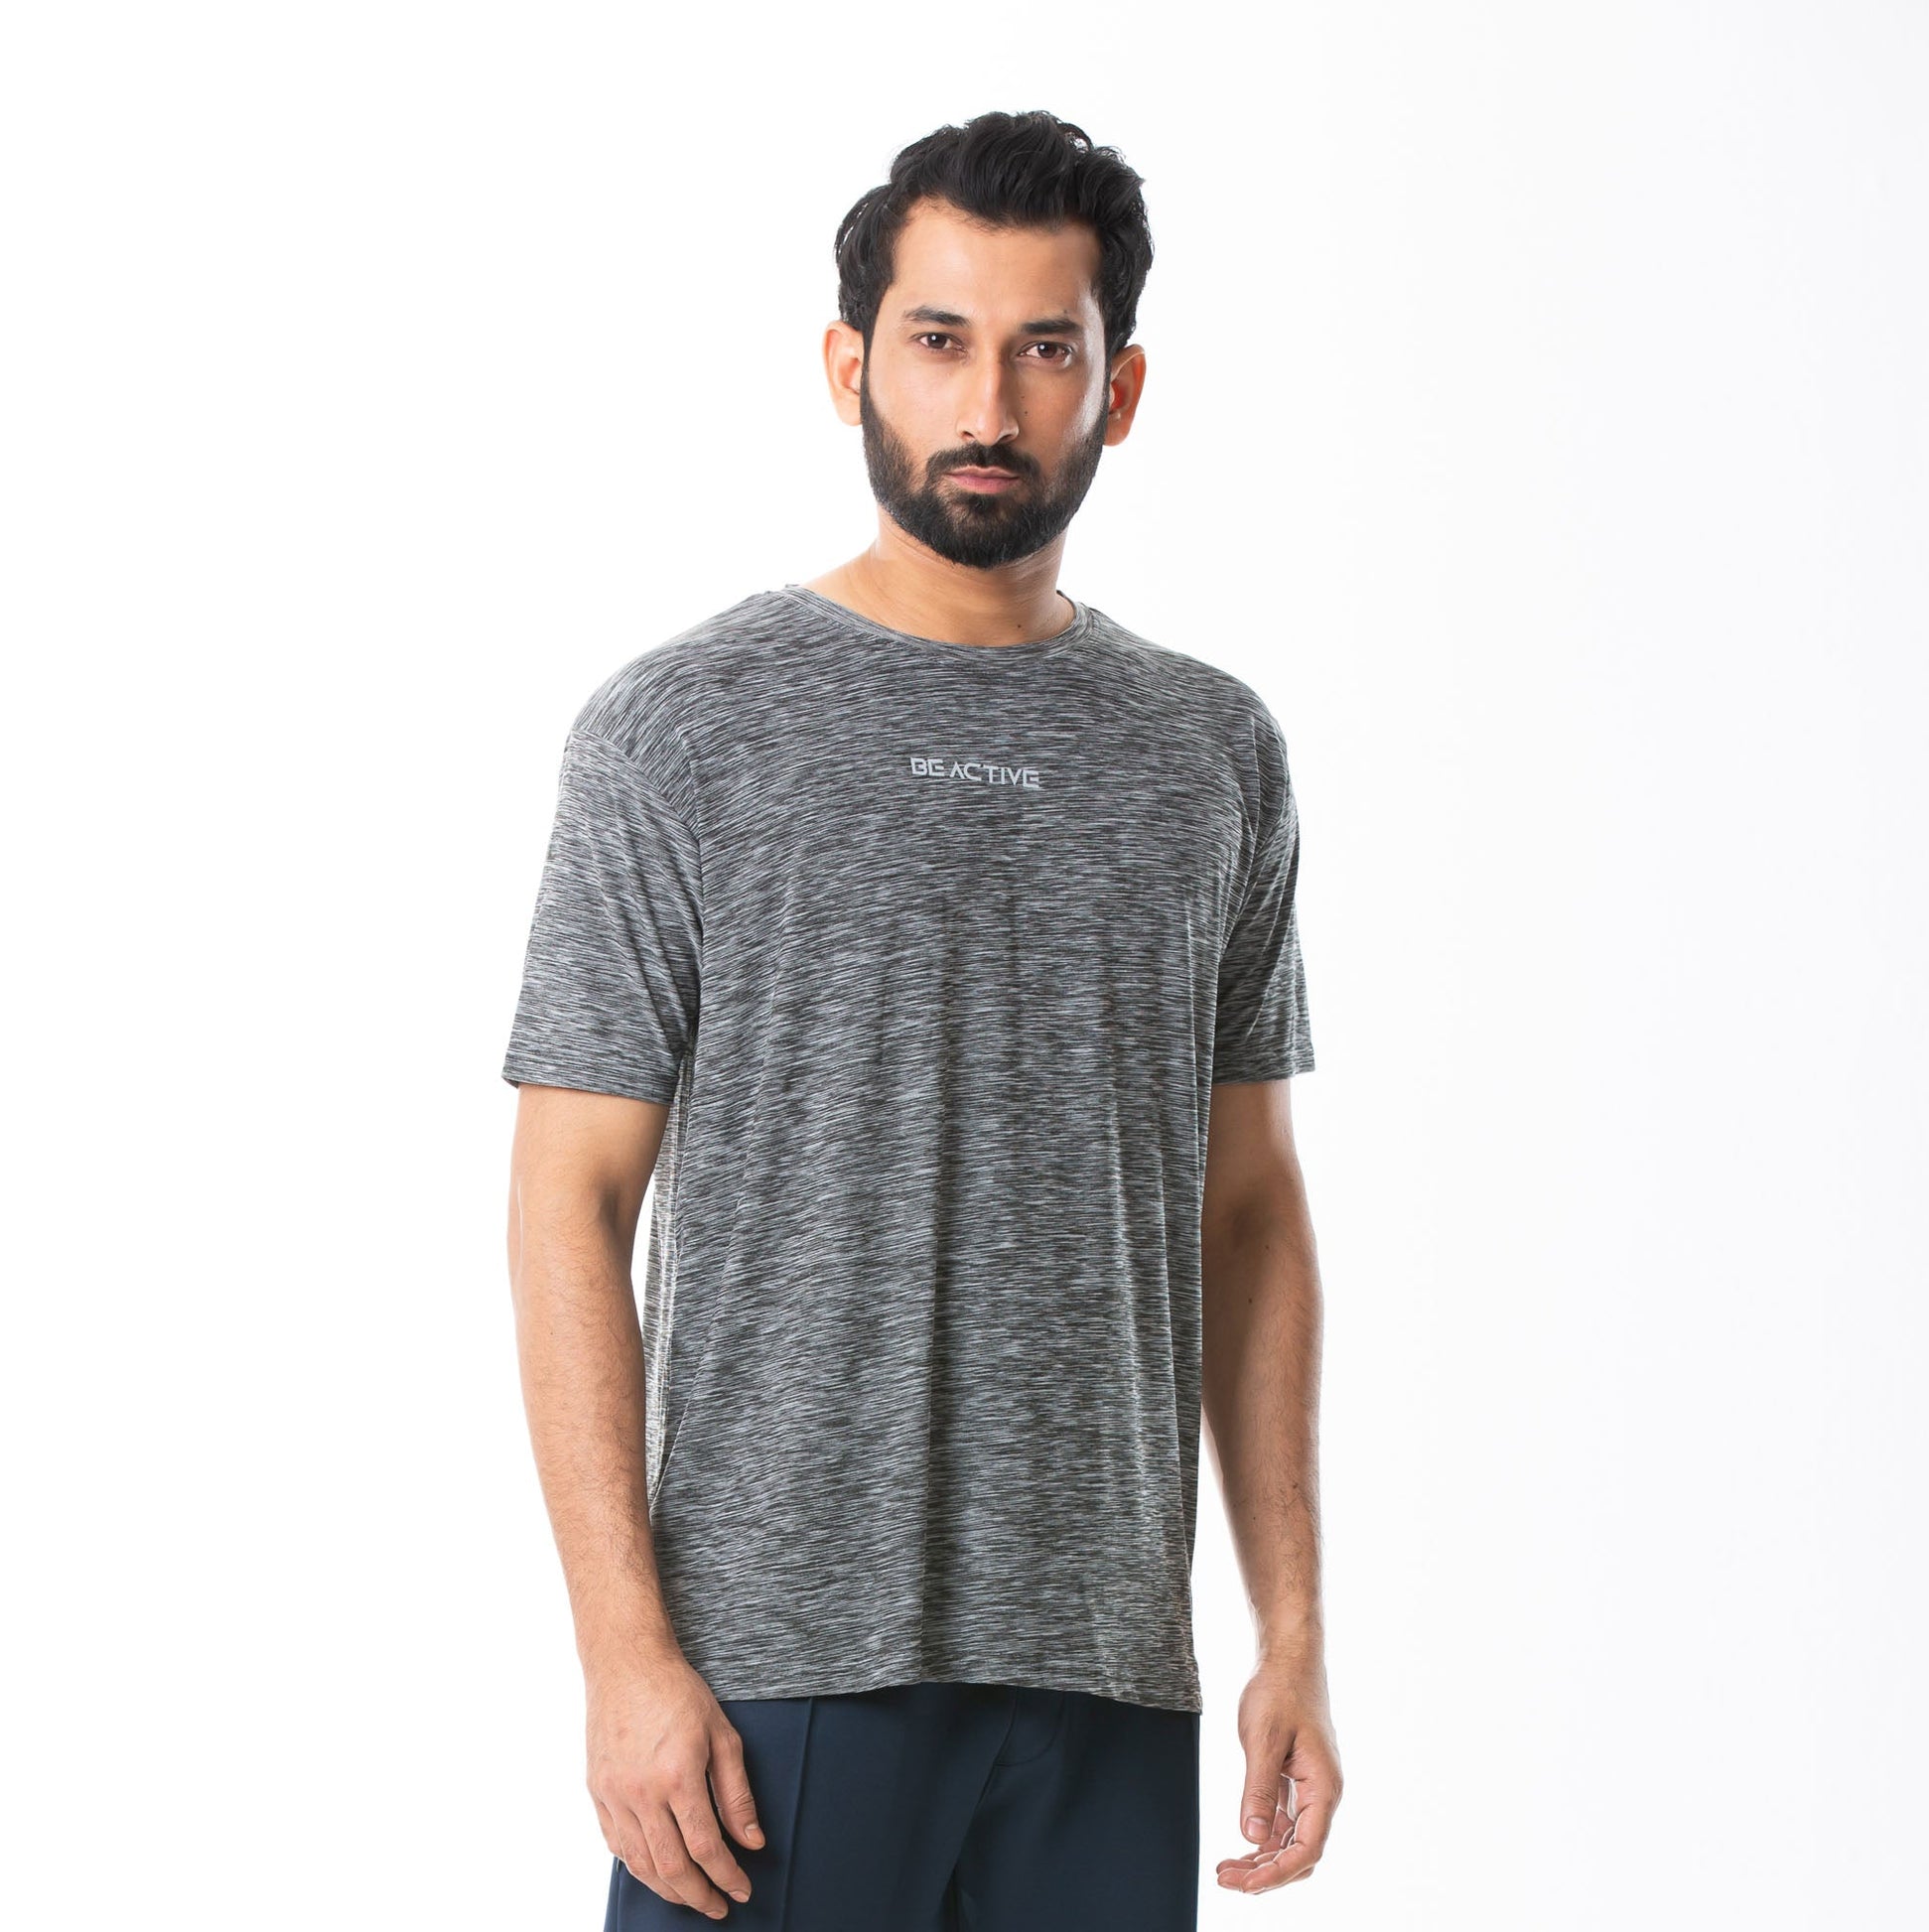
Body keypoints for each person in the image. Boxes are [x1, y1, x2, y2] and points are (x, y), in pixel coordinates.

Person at [501, 107, 1341, 1929]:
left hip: (1108, 1670)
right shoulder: (679, 730)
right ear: (847, 366)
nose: (988, 404)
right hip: (770, 1668)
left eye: (1045, 348)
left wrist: (1291, 1627)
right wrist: (625, 1654)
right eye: (938, 339)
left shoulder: (1211, 753)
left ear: (1118, 389)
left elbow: (1250, 1208)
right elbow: (571, 1195)